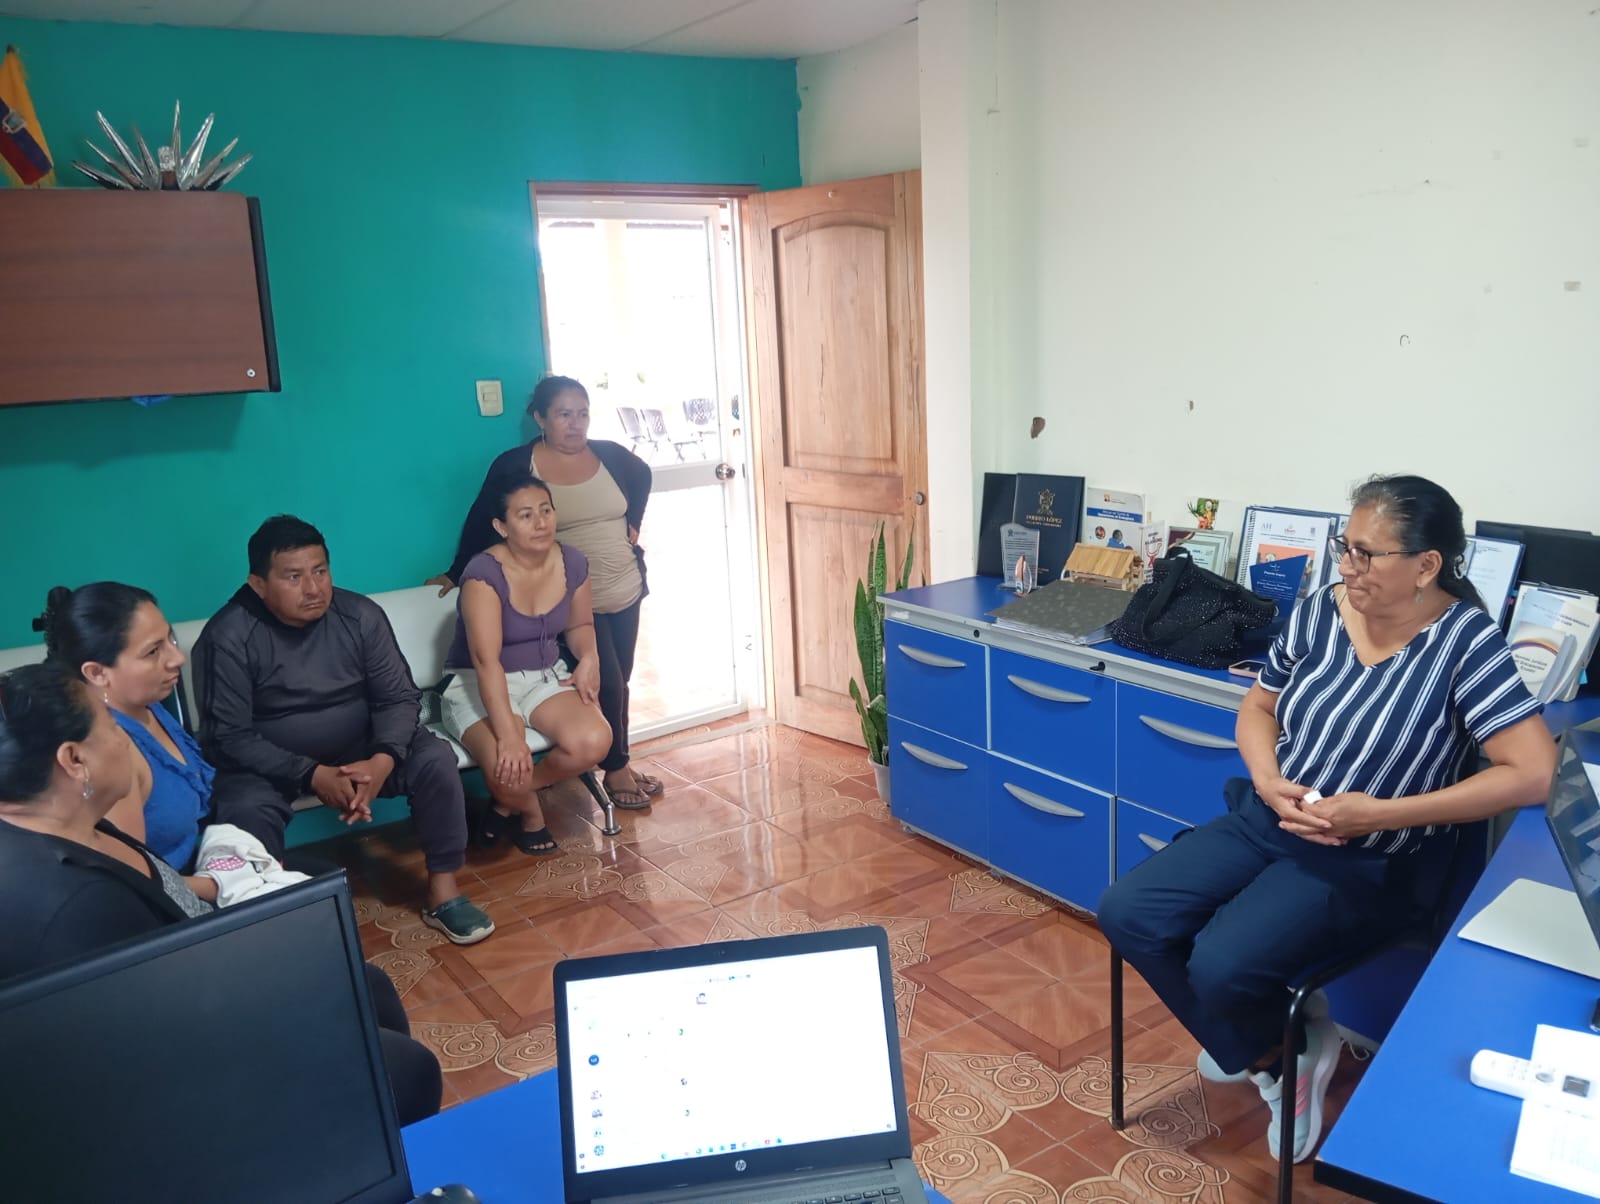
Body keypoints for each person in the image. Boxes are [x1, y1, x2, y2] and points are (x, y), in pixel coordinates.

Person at [1097, 474, 1555, 1165]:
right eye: (1346, 546)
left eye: (1367, 553)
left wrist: (1382, 815)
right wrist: (1267, 778)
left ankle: (1271, 1051)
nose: (1348, 565)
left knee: (1221, 965)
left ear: (1426, 565)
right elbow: (1260, 707)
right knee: (1129, 911)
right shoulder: (1321, 610)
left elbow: (1533, 772)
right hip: (1270, 817)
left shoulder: (1466, 642)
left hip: (1364, 858)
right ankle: (1279, 1053)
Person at [0, 662, 443, 1125]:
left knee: (368, 982)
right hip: (196, 1064)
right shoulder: (76, 907)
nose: (125, 740)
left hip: (203, 983)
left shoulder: (76, 823)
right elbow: (163, 1040)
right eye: (110, 727)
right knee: (408, 1070)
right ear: (73, 760)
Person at [192, 515, 494, 945]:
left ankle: (443, 893)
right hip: (270, 766)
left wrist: (382, 760)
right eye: (293, 577)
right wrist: (312, 774)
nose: (313, 588)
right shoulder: (228, 637)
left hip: (360, 748)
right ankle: (266, 925)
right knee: (242, 807)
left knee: (433, 758)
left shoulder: (359, 616)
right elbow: (229, 737)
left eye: (320, 571)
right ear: (258, 584)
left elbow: (398, 698)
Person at [430, 374, 660, 810]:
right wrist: (457, 571)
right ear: (540, 418)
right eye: (564, 414)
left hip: (623, 588)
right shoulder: (518, 465)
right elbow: (484, 517)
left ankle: (583, 771)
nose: (576, 424)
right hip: (572, 600)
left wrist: (634, 522)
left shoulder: (610, 456)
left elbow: (643, 475)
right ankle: (616, 768)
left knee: (621, 679)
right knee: (606, 683)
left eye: (583, 414)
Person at [440, 467, 611, 853]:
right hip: (477, 681)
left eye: (546, 510)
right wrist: (509, 736)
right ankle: (531, 814)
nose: (540, 522)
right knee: (508, 762)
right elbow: (486, 663)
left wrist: (588, 657)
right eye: (525, 515)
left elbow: (581, 624)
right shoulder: (483, 574)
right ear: (501, 526)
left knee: (594, 740)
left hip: (545, 675)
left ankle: (508, 798)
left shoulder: (573, 562)